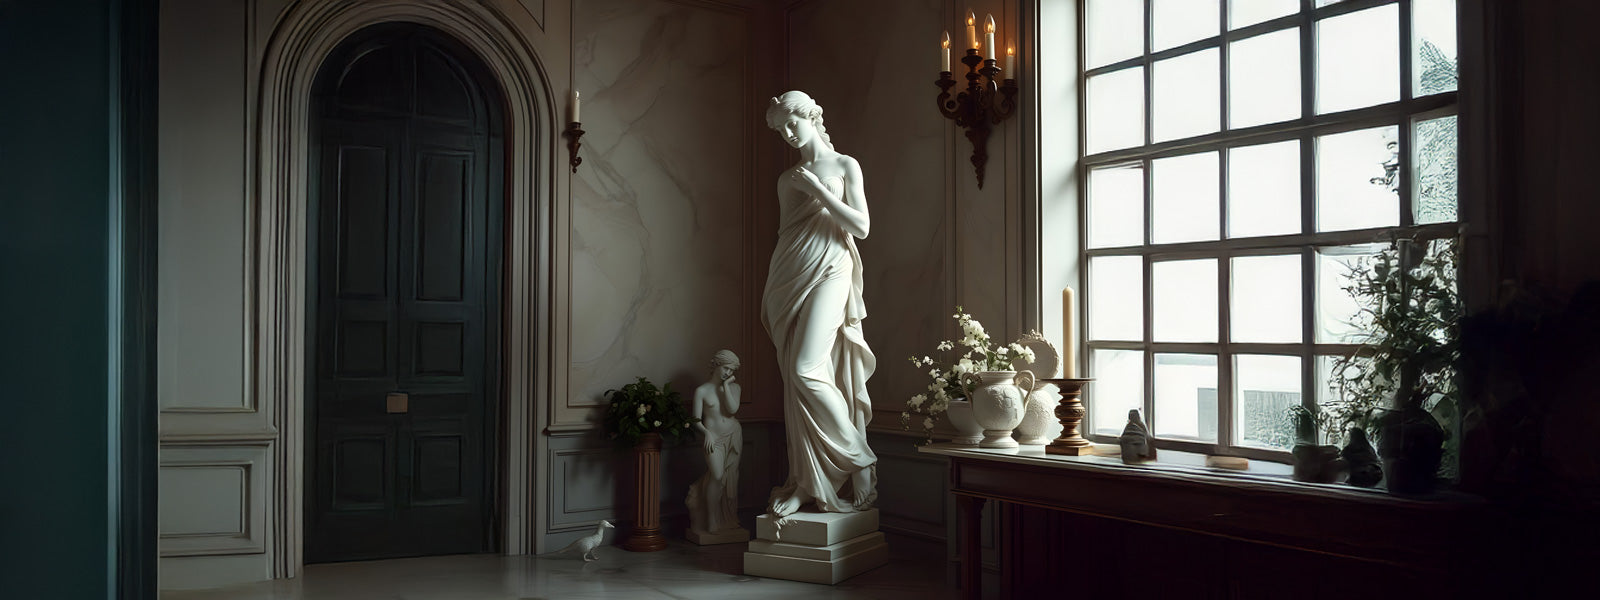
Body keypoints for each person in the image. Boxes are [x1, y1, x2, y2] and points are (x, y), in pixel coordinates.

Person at [761, 91, 878, 520]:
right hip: (789, 272)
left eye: (792, 123)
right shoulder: (785, 180)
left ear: (811, 116)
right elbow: (788, 233)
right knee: (798, 380)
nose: (788, 134)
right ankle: (808, 482)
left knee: (805, 369)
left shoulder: (845, 165)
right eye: (780, 130)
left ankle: (860, 459)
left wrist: (820, 192)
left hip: (832, 266)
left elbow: (861, 226)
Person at [687, 350, 743, 535]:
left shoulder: (734, 388)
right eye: (725, 368)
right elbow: (695, 419)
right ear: (716, 365)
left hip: (733, 435)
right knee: (717, 475)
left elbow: (732, 409)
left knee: (730, 477)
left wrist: (726, 385)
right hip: (714, 439)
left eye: (731, 370)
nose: (728, 372)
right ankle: (711, 519)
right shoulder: (702, 391)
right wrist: (706, 433)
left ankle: (724, 518)